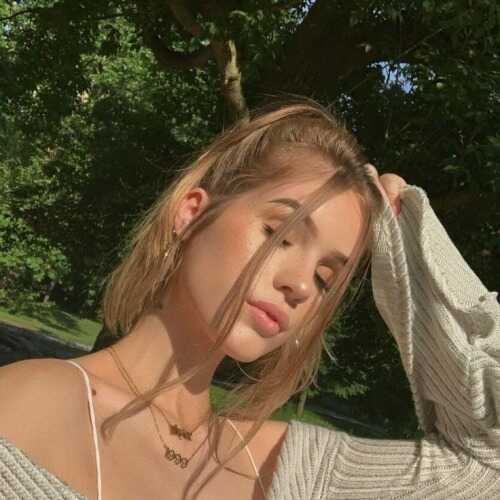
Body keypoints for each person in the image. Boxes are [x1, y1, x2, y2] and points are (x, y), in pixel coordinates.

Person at [0, 99, 498, 500]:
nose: (301, 286)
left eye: (325, 278)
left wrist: (410, 247)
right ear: (192, 213)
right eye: (280, 233)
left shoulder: (297, 474)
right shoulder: (33, 405)